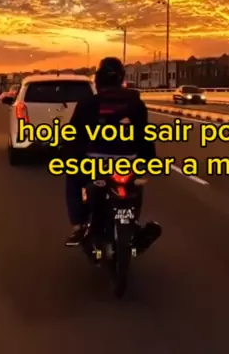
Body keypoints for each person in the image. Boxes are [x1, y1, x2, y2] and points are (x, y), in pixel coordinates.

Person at [64, 57, 161, 253]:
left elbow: (74, 135)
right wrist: (148, 160)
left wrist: (71, 156)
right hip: (128, 162)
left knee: (73, 179)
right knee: (135, 186)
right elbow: (145, 135)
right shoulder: (135, 102)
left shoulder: (88, 102)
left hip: (95, 162)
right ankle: (134, 224)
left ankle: (79, 225)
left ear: (98, 79)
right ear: (121, 78)